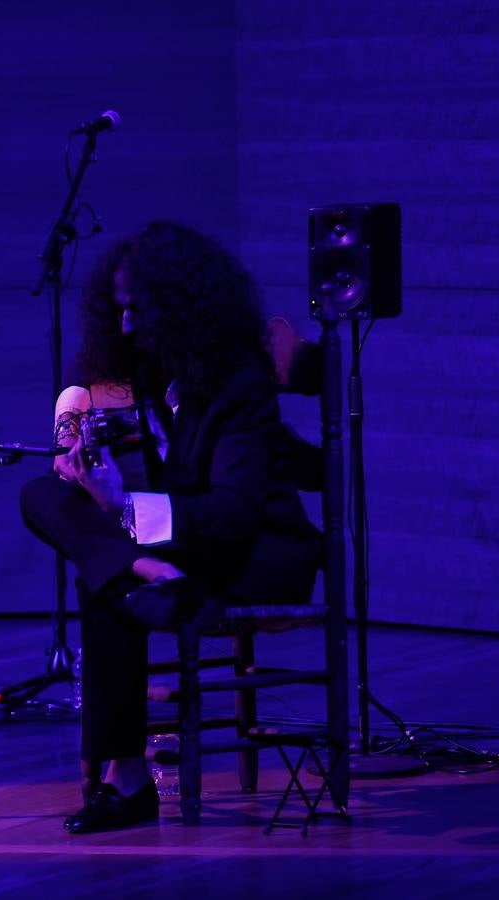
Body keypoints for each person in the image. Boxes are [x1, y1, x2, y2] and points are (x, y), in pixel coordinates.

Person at [19, 221, 321, 833]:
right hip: (178, 548)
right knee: (41, 494)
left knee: (99, 579)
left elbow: (234, 513)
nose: (126, 326)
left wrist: (125, 511)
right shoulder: (151, 373)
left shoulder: (240, 383)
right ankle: (128, 563)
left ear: (180, 308)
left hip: (251, 555)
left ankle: (126, 779)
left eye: (139, 312)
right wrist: (79, 456)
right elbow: (78, 393)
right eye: (121, 311)